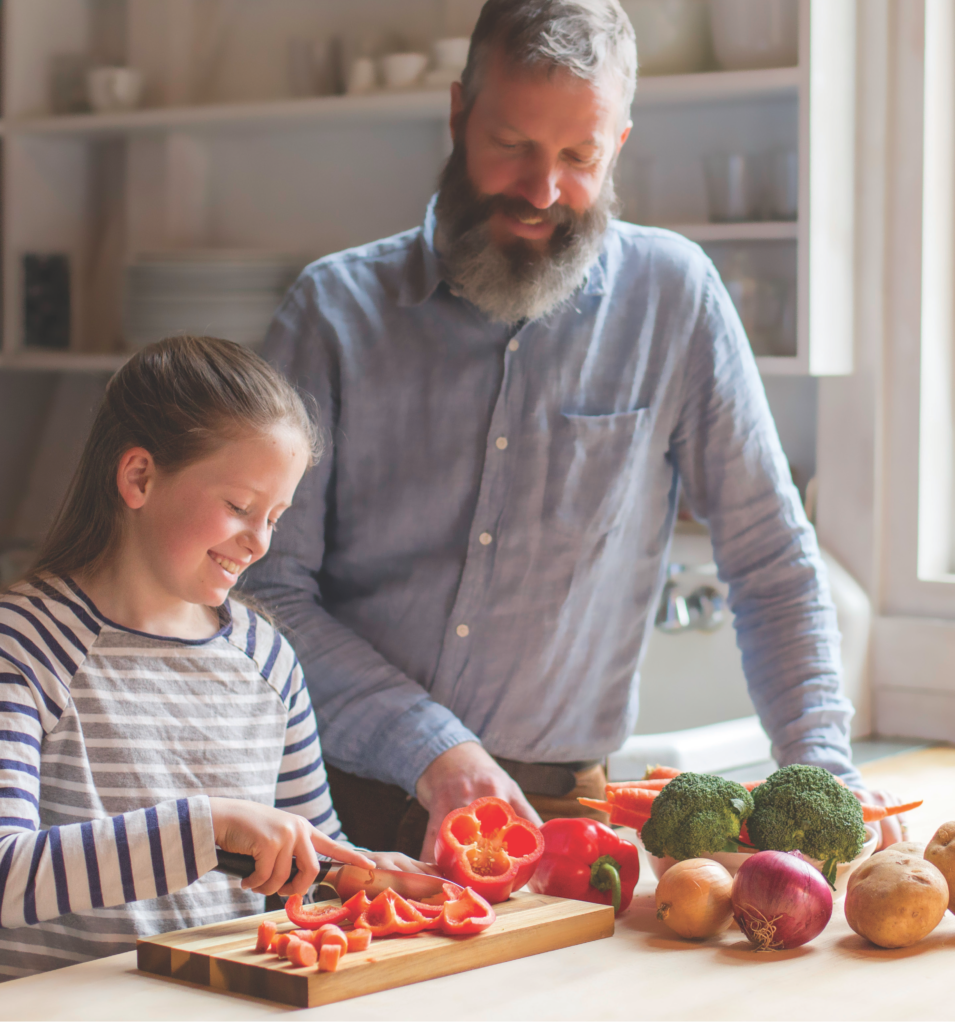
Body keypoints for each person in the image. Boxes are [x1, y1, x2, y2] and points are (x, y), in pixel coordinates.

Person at [246, 0, 900, 860]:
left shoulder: (673, 297)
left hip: (558, 816)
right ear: (457, 114)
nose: (543, 191)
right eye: (513, 145)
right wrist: (429, 745)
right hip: (332, 804)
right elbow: (263, 591)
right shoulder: (332, 311)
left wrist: (820, 780)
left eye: (578, 157)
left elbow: (769, 564)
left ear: (618, 145)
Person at [0, 336, 420, 982]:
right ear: (138, 477)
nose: (259, 543)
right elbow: (7, 875)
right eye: (239, 508)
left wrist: (369, 871)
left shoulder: (267, 659)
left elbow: (313, 856)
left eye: (276, 516)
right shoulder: (24, 644)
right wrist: (208, 826)